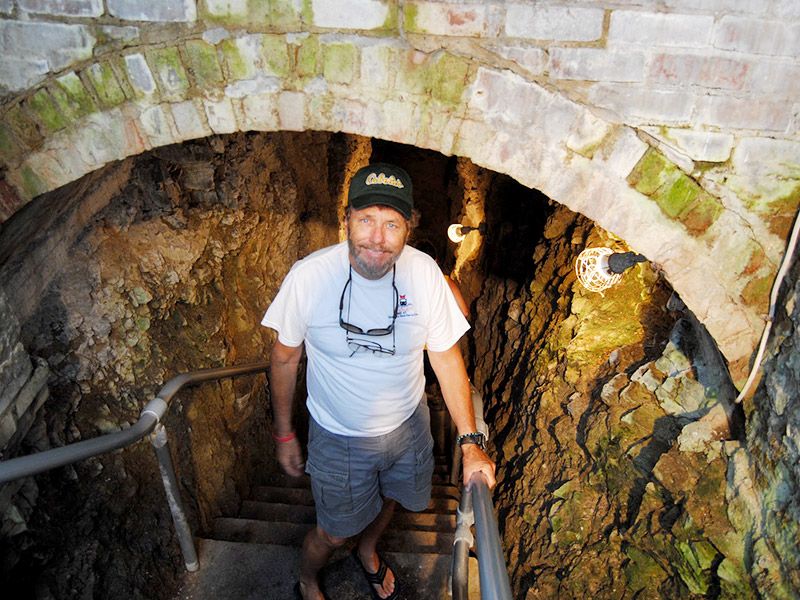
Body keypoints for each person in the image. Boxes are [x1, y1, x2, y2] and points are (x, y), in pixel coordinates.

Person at [262, 163, 496, 600]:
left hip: (408, 427)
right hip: (338, 436)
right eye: (366, 219)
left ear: (408, 226)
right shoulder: (309, 277)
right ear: (346, 218)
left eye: (391, 223)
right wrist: (285, 433)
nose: (377, 236)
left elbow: (444, 356)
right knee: (332, 533)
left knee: (391, 498)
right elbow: (285, 357)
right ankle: (308, 577)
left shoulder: (424, 273)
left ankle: (367, 551)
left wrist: (469, 440)